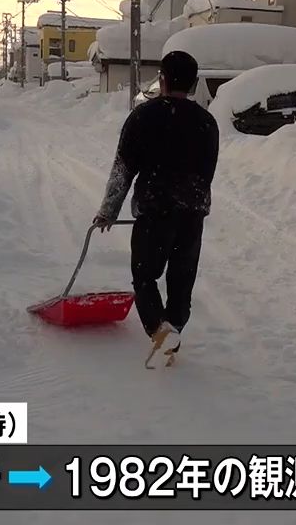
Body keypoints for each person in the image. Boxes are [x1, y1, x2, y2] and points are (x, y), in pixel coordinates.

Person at [93, 51, 220, 366]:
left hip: (155, 210)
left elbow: (124, 168)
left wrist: (109, 210)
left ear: (162, 80)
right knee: (182, 279)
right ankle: (173, 330)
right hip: (192, 213)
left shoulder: (144, 116)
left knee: (145, 276)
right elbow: (207, 173)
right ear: (193, 84)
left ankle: (160, 330)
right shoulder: (207, 122)